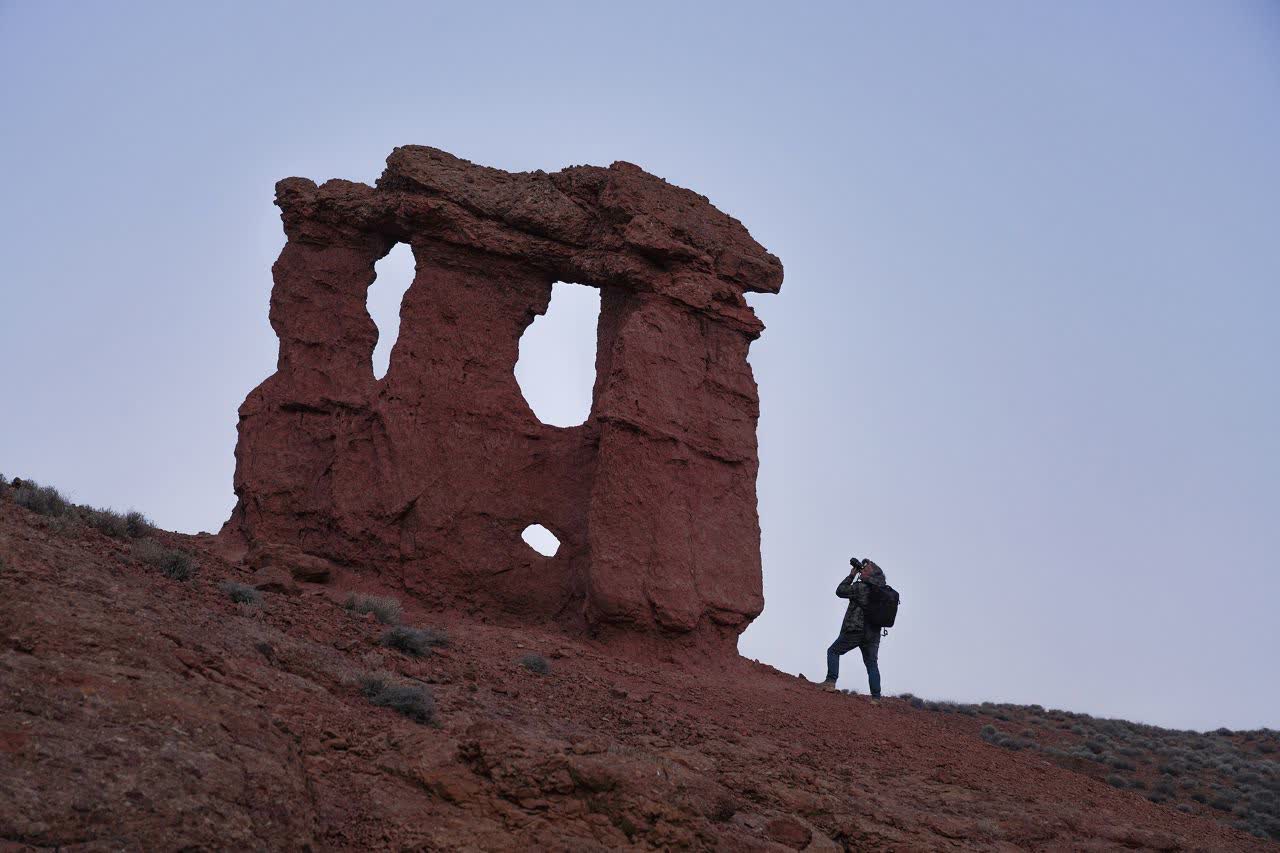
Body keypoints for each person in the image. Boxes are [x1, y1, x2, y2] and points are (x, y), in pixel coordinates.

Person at [822, 557, 887, 699]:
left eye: (865, 569)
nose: (862, 570)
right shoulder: (882, 590)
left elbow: (840, 591)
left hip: (856, 629)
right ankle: (876, 698)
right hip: (873, 634)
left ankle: (830, 682)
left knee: (833, 651)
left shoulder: (862, 587)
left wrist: (852, 575)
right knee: (871, 664)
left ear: (872, 574)